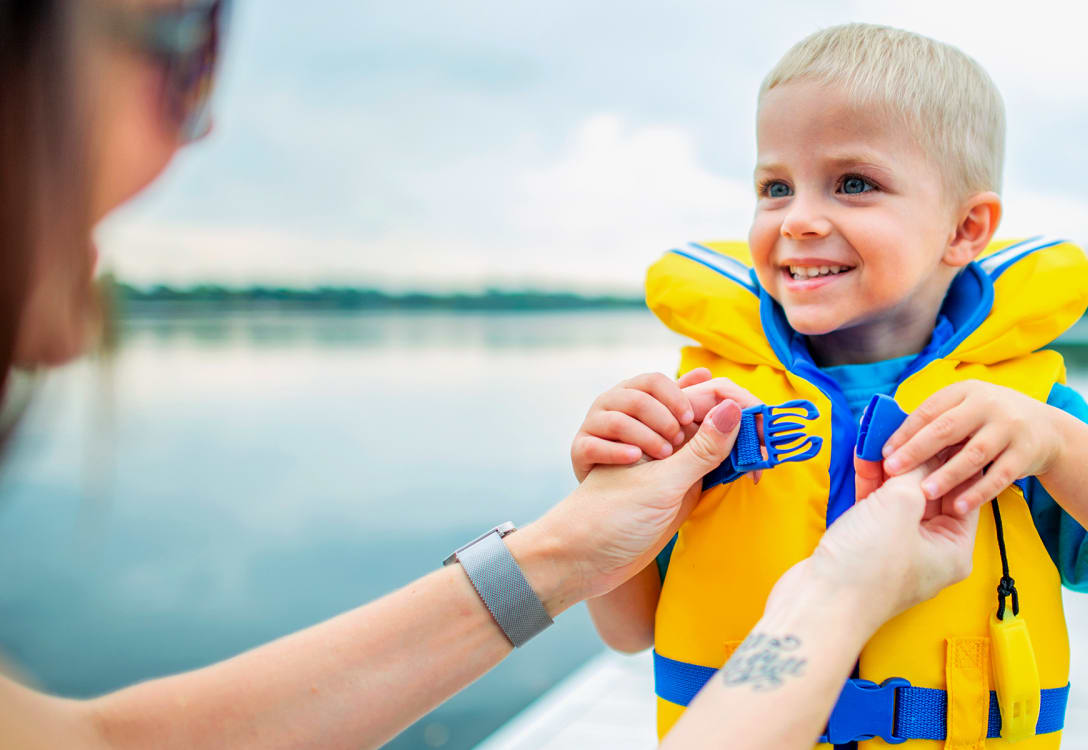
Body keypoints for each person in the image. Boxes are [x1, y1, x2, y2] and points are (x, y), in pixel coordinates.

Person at [0, 2, 986, 748]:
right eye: (189, 44)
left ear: (966, 228)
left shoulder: (1013, 417)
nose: (194, 135)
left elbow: (93, 743)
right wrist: (837, 597)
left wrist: (572, 547)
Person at [576, 23, 1088, 747]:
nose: (797, 220)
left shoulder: (1021, 422)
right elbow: (630, 631)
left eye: (853, 184)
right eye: (775, 187)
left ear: (965, 228)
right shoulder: (709, 411)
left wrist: (1054, 444)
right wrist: (606, 496)